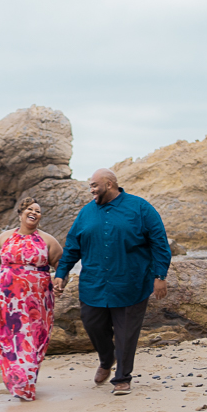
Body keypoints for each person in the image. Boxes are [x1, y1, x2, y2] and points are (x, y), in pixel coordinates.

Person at [53, 169, 171, 395]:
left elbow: (159, 243)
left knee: (127, 332)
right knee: (91, 323)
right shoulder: (86, 213)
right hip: (94, 284)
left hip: (131, 283)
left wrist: (160, 277)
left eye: (95, 185)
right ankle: (107, 360)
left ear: (109, 184)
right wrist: (61, 274)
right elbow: (72, 247)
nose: (92, 190)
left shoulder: (140, 208)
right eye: (90, 186)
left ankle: (122, 378)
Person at [0, 197, 63, 400]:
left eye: (38, 210)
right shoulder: (5, 238)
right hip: (8, 301)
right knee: (11, 339)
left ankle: (25, 383)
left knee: (32, 338)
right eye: (30, 209)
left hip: (37, 302)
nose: (34, 213)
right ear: (20, 214)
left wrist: (60, 282)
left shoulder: (47, 240)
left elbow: (61, 264)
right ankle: (18, 381)